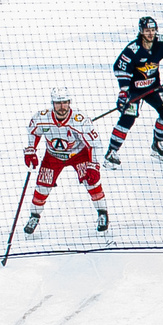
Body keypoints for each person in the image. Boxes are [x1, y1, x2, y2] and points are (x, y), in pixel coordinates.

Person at [21, 91, 109, 236]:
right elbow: (33, 131)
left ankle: (102, 213)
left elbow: (95, 144)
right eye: (58, 103)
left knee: (92, 182)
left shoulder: (80, 120)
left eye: (65, 102)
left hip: (79, 155)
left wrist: (94, 166)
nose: (62, 106)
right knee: (42, 186)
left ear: (69, 102)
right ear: (53, 104)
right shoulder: (41, 118)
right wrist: (31, 149)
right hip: (53, 156)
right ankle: (34, 216)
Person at [106, 16, 163, 164]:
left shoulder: (162, 42)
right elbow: (120, 69)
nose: (151, 33)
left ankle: (157, 143)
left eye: (153, 30)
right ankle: (112, 152)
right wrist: (124, 93)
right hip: (134, 90)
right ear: (141, 31)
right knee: (128, 117)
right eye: (147, 30)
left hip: (153, 88)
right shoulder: (132, 50)